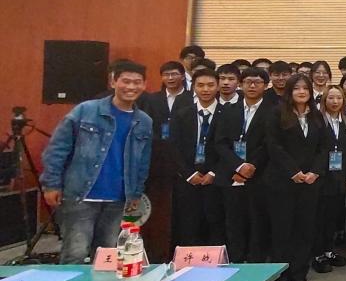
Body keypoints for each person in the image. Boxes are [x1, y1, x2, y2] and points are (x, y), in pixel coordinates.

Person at [41, 60, 152, 264]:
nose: (131, 87)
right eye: (125, 81)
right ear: (113, 82)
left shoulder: (144, 121)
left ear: (144, 85)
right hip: (81, 195)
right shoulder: (85, 110)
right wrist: (51, 183)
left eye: (137, 82)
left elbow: (142, 162)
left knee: (107, 258)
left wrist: (135, 193)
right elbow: (57, 148)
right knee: (75, 253)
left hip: (118, 199)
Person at [264, 74, 329, 281]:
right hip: (282, 181)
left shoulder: (317, 116)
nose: (301, 92)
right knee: (282, 229)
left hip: (310, 182)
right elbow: (273, 145)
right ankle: (281, 275)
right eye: (297, 88)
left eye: (305, 88)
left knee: (305, 228)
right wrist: (293, 171)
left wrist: (315, 172)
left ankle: (299, 272)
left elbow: (323, 148)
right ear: (289, 92)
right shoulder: (277, 113)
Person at [213, 66, 274, 264]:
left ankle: (256, 261)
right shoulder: (228, 110)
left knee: (258, 222)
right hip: (231, 175)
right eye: (248, 82)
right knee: (233, 221)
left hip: (260, 176)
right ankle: (236, 260)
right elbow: (220, 142)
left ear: (266, 86)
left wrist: (251, 166)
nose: (252, 86)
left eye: (257, 82)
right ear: (241, 84)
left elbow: (270, 144)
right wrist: (238, 166)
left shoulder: (274, 112)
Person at [169, 67, 225, 248]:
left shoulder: (229, 114)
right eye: (200, 85)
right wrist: (188, 174)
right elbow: (174, 147)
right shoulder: (182, 114)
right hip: (188, 180)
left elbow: (230, 148)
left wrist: (214, 173)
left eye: (210, 85)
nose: (205, 89)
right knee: (188, 227)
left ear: (218, 86)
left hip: (217, 181)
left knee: (216, 226)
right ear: (193, 87)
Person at [312, 84, 346, 273]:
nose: (335, 102)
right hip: (321, 177)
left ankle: (328, 250)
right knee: (319, 217)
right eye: (331, 98)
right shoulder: (317, 120)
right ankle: (317, 254)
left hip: (338, 178)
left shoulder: (345, 121)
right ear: (324, 100)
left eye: (339, 98)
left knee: (333, 217)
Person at [142, 61, 191, 141]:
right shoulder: (152, 99)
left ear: (183, 76)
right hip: (158, 144)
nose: (170, 78)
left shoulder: (191, 98)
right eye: (166, 75)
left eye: (174, 74)